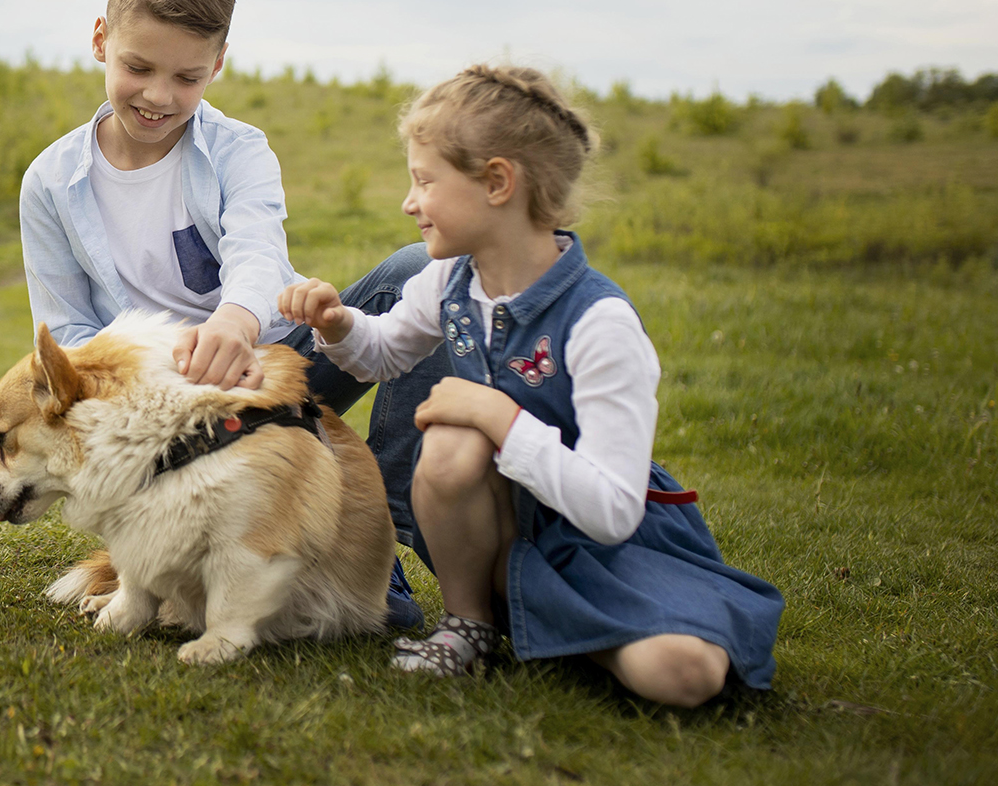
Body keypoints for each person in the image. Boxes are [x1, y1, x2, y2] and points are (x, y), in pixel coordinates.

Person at [280, 65, 784, 706]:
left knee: (682, 676)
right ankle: (470, 625)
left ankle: (559, 626)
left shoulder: (601, 323)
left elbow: (612, 512)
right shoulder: (452, 280)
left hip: (605, 546)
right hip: (500, 527)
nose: (411, 203)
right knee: (451, 440)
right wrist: (336, 322)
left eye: (425, 181)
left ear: (497, 182)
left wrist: (502, 418)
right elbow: (380, 355)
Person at [16, 0, 425, 628]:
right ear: (99, 41)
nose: (157, 95)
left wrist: (235, 322)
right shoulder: (50, 182)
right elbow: (72, 336)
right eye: (137, 66)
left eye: (187, 78)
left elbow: (257, 251)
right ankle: (166, 567)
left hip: (281, 353)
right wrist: (160, 378)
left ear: (218, 66)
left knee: (419, 273)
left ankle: (385, 521)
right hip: (165, 398)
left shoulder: (239, 149)